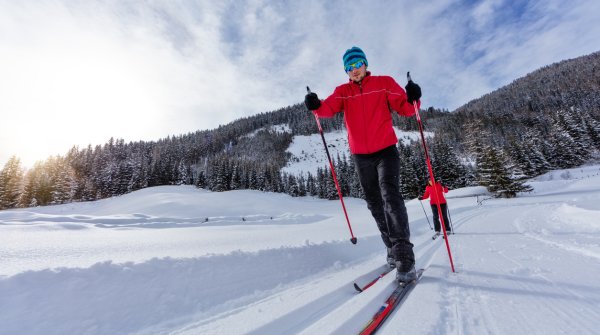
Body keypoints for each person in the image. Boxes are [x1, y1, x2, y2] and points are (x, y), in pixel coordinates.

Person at [304, 46, 422, 283]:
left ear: (365, 64)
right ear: (346, 71)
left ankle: (404, 258)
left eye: (357, 64)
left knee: (391, 197)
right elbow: (326, 110)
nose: (354, 70)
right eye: (349, 67)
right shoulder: (343, 91)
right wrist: (315, 104)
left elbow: (407, 109)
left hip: (386, 150)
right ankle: (390, 247)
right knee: (374, 204)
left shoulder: (384, 82)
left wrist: (414, 97)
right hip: (361, 156)